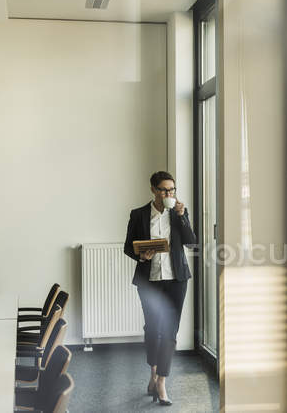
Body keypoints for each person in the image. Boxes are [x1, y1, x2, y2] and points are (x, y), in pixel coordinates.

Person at [123, 171, 196, 405]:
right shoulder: (139, 214)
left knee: (171, 332)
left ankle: (162, 381)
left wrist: (183, 217)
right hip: (150, 281)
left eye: (172, 190)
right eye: (164, 190)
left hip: (177, 280)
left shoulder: (178, 214)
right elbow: (128, 247)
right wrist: (142, 256)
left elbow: (191, 241)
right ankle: (153, 372)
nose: (169, 194)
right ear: (153, 189)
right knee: (153, 329)